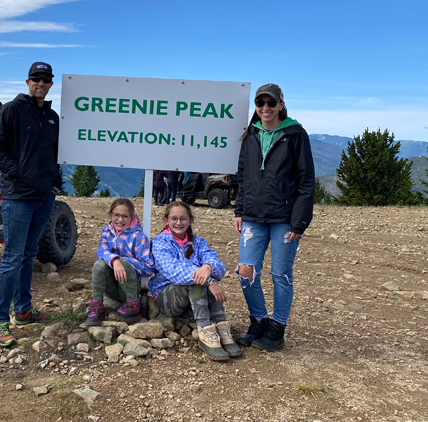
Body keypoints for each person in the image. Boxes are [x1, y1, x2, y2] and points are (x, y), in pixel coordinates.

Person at [0, 61, 64, 347]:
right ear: (27, 81)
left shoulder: (53, 117)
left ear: (52, 84)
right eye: (36, 79)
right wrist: (17, 172)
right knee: (12, 257)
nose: (41, 83)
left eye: (46, 79)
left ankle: (23, 311)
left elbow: (55, 153)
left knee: (29, 252)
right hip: (18, 196)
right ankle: (0, 321)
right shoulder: (11, 110)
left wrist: (56, 180)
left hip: (44, 196)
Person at [233, 83, 315, 351]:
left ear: (281, 104)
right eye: (260, 103)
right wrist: (239, 211)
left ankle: (277, 328)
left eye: (271, 103)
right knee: (246, 272)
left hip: (285, 218)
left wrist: (299, 222)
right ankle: (258, 321)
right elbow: (243, 176)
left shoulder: (295, 134)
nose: (265, 108)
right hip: (253, 217)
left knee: (280, 273)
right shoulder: (251, 134)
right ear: (255, 107)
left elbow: (306, 180)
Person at [149, 201, 242, 361]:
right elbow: (174, 272)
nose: (179, 223)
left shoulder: (199, 242)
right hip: (167, 300)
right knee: (197, 281)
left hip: (192, 300)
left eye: (183, 219)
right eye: (174, 218)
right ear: (166, 220)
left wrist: (207, 267)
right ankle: (205, 331)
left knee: (204, 276)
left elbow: (218, 265)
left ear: (190, 220)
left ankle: (222, 329)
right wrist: (209, 281)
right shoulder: (159, 243)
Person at [85, 198, 154, 325]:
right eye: (116, 215)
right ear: (110, 214)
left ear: (132, 217)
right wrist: (114, 260)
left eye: (125, 216)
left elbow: (148, 267)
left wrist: (122, 261)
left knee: (123, 263)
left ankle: (132, 306)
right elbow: (101, 251)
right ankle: (97, 305)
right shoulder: (107, 231)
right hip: (111, 287)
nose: (120, 220)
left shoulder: (139, 237)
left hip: (129, 289)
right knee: (99, 264)